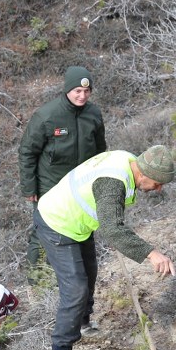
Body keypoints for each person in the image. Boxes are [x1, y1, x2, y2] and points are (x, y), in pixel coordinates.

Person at [33, 145, 176, 350]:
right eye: (157, 183)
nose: (158, 189)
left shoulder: (129, 160)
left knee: (89, 275)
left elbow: (110, 217)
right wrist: (151, 254)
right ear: (144, 174)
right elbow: (112, 228)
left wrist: (112, 222)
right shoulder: (113, 184)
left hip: (78, 221)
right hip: (57, 222)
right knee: (76, 289)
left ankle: (84, 324)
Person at [18, 66, 106, 267]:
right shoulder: (47, 115)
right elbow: (27, 152)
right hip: (50, 185)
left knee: (80, 227)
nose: (82, 96)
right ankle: (37, 279)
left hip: (81, 185)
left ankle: (73, 275)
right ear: (67, 89)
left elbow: (101, 151)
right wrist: (29, 187)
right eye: (77, 91)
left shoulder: (94, 114)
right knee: (43, 232)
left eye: (87, 91)